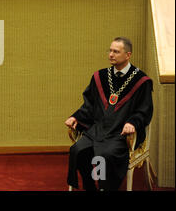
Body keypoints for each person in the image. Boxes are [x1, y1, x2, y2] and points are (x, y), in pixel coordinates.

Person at [65, 37, 153, 191]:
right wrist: (76, 117)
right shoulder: (100, 77)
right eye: (110, 50)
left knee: (107, 155)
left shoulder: (141, 81)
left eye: (116, 51)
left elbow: (144, 109)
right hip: (98, 129)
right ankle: (90, 184)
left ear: (128, 55)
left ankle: (105, 187)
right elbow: (89, 104)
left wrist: (132, 122)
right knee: (77, 150)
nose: (111, 54)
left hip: (120, 133)